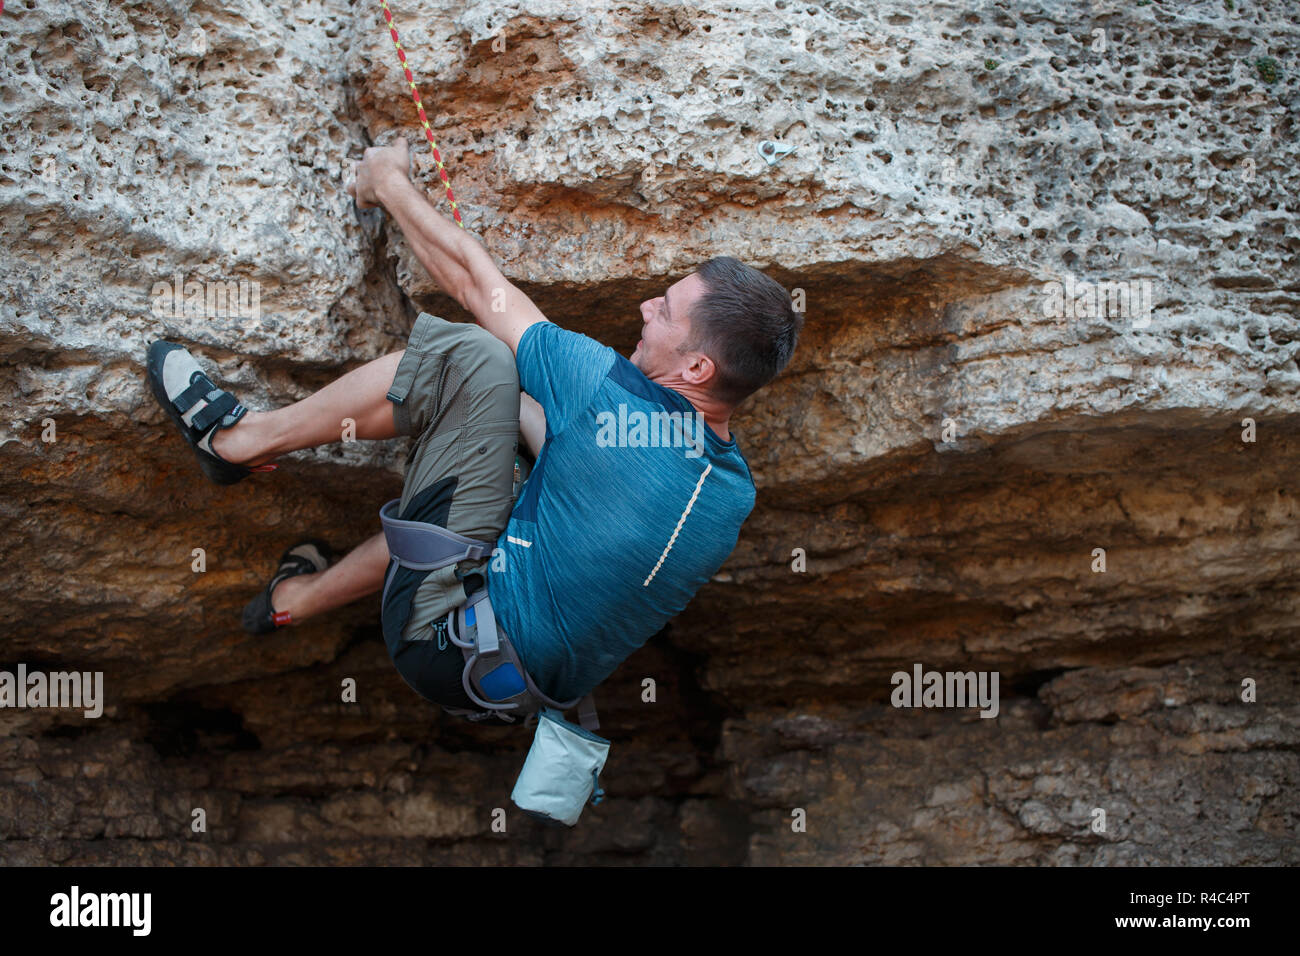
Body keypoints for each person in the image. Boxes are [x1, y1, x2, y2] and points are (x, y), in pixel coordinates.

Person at [146, 137, 803, 721]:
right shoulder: (728, 492)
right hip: (506, 692)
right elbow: (583, 472)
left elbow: (475, 287)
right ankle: (292, 600)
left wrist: (388, 183)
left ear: (696, 365)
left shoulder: (606, 395)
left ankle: (236, 441)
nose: (644, 306)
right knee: (512, 450)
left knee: (473, 360)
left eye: (663, 310)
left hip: (438, 638)